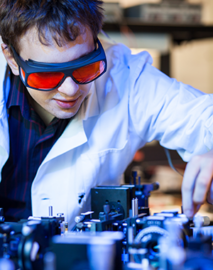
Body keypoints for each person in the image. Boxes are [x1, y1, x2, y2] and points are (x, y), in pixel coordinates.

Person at [0, 0, 213, 227]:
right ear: (12, 58)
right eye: (47, 76)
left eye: (85, 67)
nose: (71, 90)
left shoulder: (126, 76)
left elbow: (203, 117)